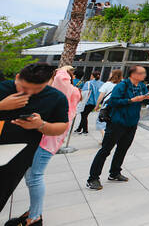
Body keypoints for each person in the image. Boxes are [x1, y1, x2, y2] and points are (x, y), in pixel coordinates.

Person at [5, 68, 81, 226]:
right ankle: (34, 214)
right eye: (24, 88)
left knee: (33, 177)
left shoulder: (58, 96)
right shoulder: (4, 88)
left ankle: (35, 217)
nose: (30, 93)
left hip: (33, 149)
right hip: (36, 144)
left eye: (37, 89)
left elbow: (61, 125)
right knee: (33, 176)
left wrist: (40, 124)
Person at [86, 65, 149, 190]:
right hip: (117, 122)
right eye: (141, 73)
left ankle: (115, 172)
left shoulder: (142, 86)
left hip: (132, 123)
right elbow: (114, 101)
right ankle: (93, 178)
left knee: (123, 149)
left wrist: (147, 98)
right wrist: (131, 100)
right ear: (133, 74)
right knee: (105, 150)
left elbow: (147, 101)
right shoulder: (122, 85)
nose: (144, 75)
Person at [94, 69, 122, 141]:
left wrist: (97, 105)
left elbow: (101, 96)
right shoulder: (122, 85)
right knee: (111, 122)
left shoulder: (107, 84)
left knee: (101, 122)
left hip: (106, 106)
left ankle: (105, 139)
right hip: (117, 106)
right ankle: (109, 138)